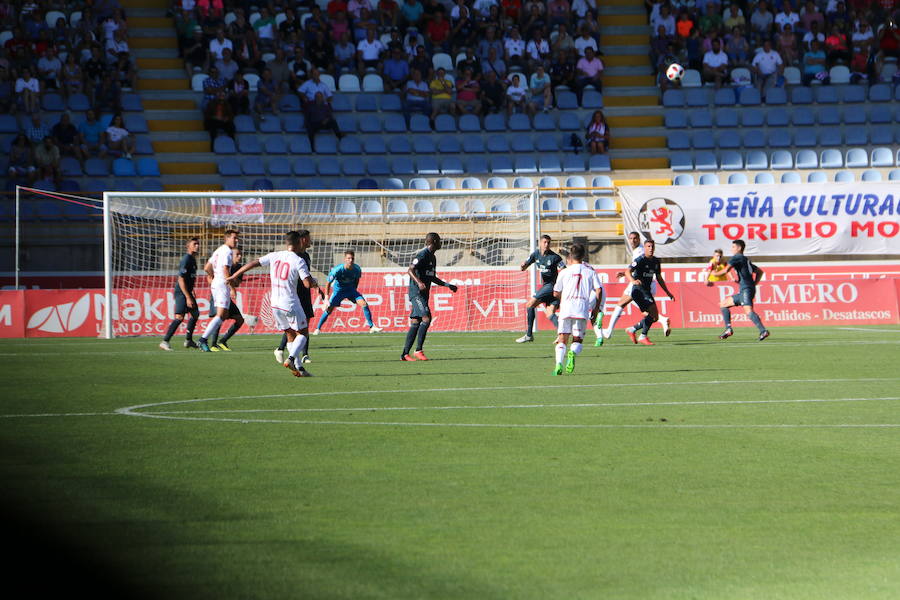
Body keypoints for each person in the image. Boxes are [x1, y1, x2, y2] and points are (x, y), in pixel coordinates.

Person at [227, 231, 318, 377]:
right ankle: (291, 358)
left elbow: (253, 263)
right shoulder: (298, 260)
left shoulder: (275, 255)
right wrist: (314, 282)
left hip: (274, 304)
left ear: (286, 243)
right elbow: (307, 284)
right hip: (290, 303)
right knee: (303, 333)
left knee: (289, 333)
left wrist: (234, 275)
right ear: (299, 242)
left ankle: (299, 368)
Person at [602, 231, 672, 339]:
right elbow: (637, 267)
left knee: (621, 304)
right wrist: (624, 272)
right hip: (644, 283)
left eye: (635, 238)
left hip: (641, 283)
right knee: (646, 311)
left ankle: (609, 331)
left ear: (639, 240)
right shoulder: (637, 251)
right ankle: (639, 328)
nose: (632, 241)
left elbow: (641, 266)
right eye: (630, 238)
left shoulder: (640, 251)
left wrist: (629, 276)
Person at [401, 232, 458, 361]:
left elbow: (431, 277)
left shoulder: (432, 257)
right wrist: (419, 282)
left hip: (424, 294)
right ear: (433, 242)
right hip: (416, 293)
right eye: (439, 240)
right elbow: (410, 270)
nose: (441, 243)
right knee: (426, 317)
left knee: (416, 321)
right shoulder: (422, 255)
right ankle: (418, 350)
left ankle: (404, 355)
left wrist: (447, 285)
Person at [551, 243, 603, 375]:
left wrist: (563, 298)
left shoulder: (564, 272)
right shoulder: (590, 272)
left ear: (570, 256)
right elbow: (599, 290)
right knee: (577, 339)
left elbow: (556, 292)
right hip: (581, 309)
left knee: (562, 338)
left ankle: (558, 365)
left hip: (566, 309)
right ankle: (572, 353)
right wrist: (596, 309)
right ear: (583, 256)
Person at [274, 230, 320, 365]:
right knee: (300, 326)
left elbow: (307, 276)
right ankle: (301, 355)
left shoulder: (305, 255)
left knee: (300, 325)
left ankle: (286, 351)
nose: (310, 240)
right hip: (297, 295)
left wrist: (315, 286)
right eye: (308, 238)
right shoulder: (297, 257)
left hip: (304, 293)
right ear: (303, 240)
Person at [313, 250, 384, 334]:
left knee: (364, 304)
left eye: (352, 258)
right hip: (338, 292)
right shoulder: (337, 270)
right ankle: (317, 328)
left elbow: (357, 280)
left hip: (351, 290)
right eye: (348, 258)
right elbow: (328, 283)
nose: (350, 260)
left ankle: (372, 326)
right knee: (329, 310)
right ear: (345, 259)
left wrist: (354, 291)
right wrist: (326, 299)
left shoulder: (357, 269)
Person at [713, 239, 770, 341]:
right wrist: (753, 284)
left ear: (739, 248)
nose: (732, 249)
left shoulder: (737, 257)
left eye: (733, 247)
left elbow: (726, 270)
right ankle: (728, 329)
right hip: (746, 289)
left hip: (746, 289)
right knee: (723, 304)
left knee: (749, 311)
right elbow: (760, 272)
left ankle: (763, 331)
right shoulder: (744, 259)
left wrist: (714, 274)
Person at [623, 239, 675, 346]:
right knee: (653, 313)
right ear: (645, 248)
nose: (651, 249)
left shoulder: (656, 261)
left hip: (646, 291)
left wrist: (667, 292)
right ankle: (643, 336)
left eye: (652, 247)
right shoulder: (640, 260)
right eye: (648, 247)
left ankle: (632, 329)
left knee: (654, 317)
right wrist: (633, 281)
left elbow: (659, 278)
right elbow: (627, 271)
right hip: (638, 291)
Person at [516, 234, 564, 343]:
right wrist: (523, 266)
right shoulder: (536, 254)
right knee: (550, 313)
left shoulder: (555, 257)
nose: (546, 244)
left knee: (530, 305)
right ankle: (562, 333)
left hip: (552, 286)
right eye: (544, 242)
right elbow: (524, 267)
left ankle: (529, 335)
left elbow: (564, 270)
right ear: (540, 243)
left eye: (548, 242)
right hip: (547, 287)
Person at [198, 229, 239, 352]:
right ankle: (203, 339)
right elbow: (226, 270)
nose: (236, 240)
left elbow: (207, 267)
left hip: (216, 284)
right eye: (234, 238)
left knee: (223, 315)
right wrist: (232, 288)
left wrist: (212, 276)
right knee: (221, 315)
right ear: (226, 238)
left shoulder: (219, 250)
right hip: (222, 284)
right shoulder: (227, 251)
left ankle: (210, 340)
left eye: (237, 238)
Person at [160, 237, 201, 351]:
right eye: (195, 244)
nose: (197, 246)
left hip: (188, 291)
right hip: (182, 292)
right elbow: (181, 279)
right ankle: (165, 341)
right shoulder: (186, 259)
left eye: (198, 244)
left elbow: (190, 278)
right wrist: (188, 296)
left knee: (195, 314)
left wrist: (191, 291)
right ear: (188, 246)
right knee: (179, 317)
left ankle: (188, 340)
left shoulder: (193, 259)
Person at [205, 245, 246, 351]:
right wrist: (218, 282)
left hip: (226, 294)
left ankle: (223, 341)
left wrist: (233, 280)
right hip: (219, 293)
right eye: (237, 254)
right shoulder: (222, 265)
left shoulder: (239, 268)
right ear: (230, 256)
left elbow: (237, 283)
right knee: (220, 317)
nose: (240, 257)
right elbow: (209, 278)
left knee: (240, 319)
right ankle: (213, 344)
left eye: (240, 254)